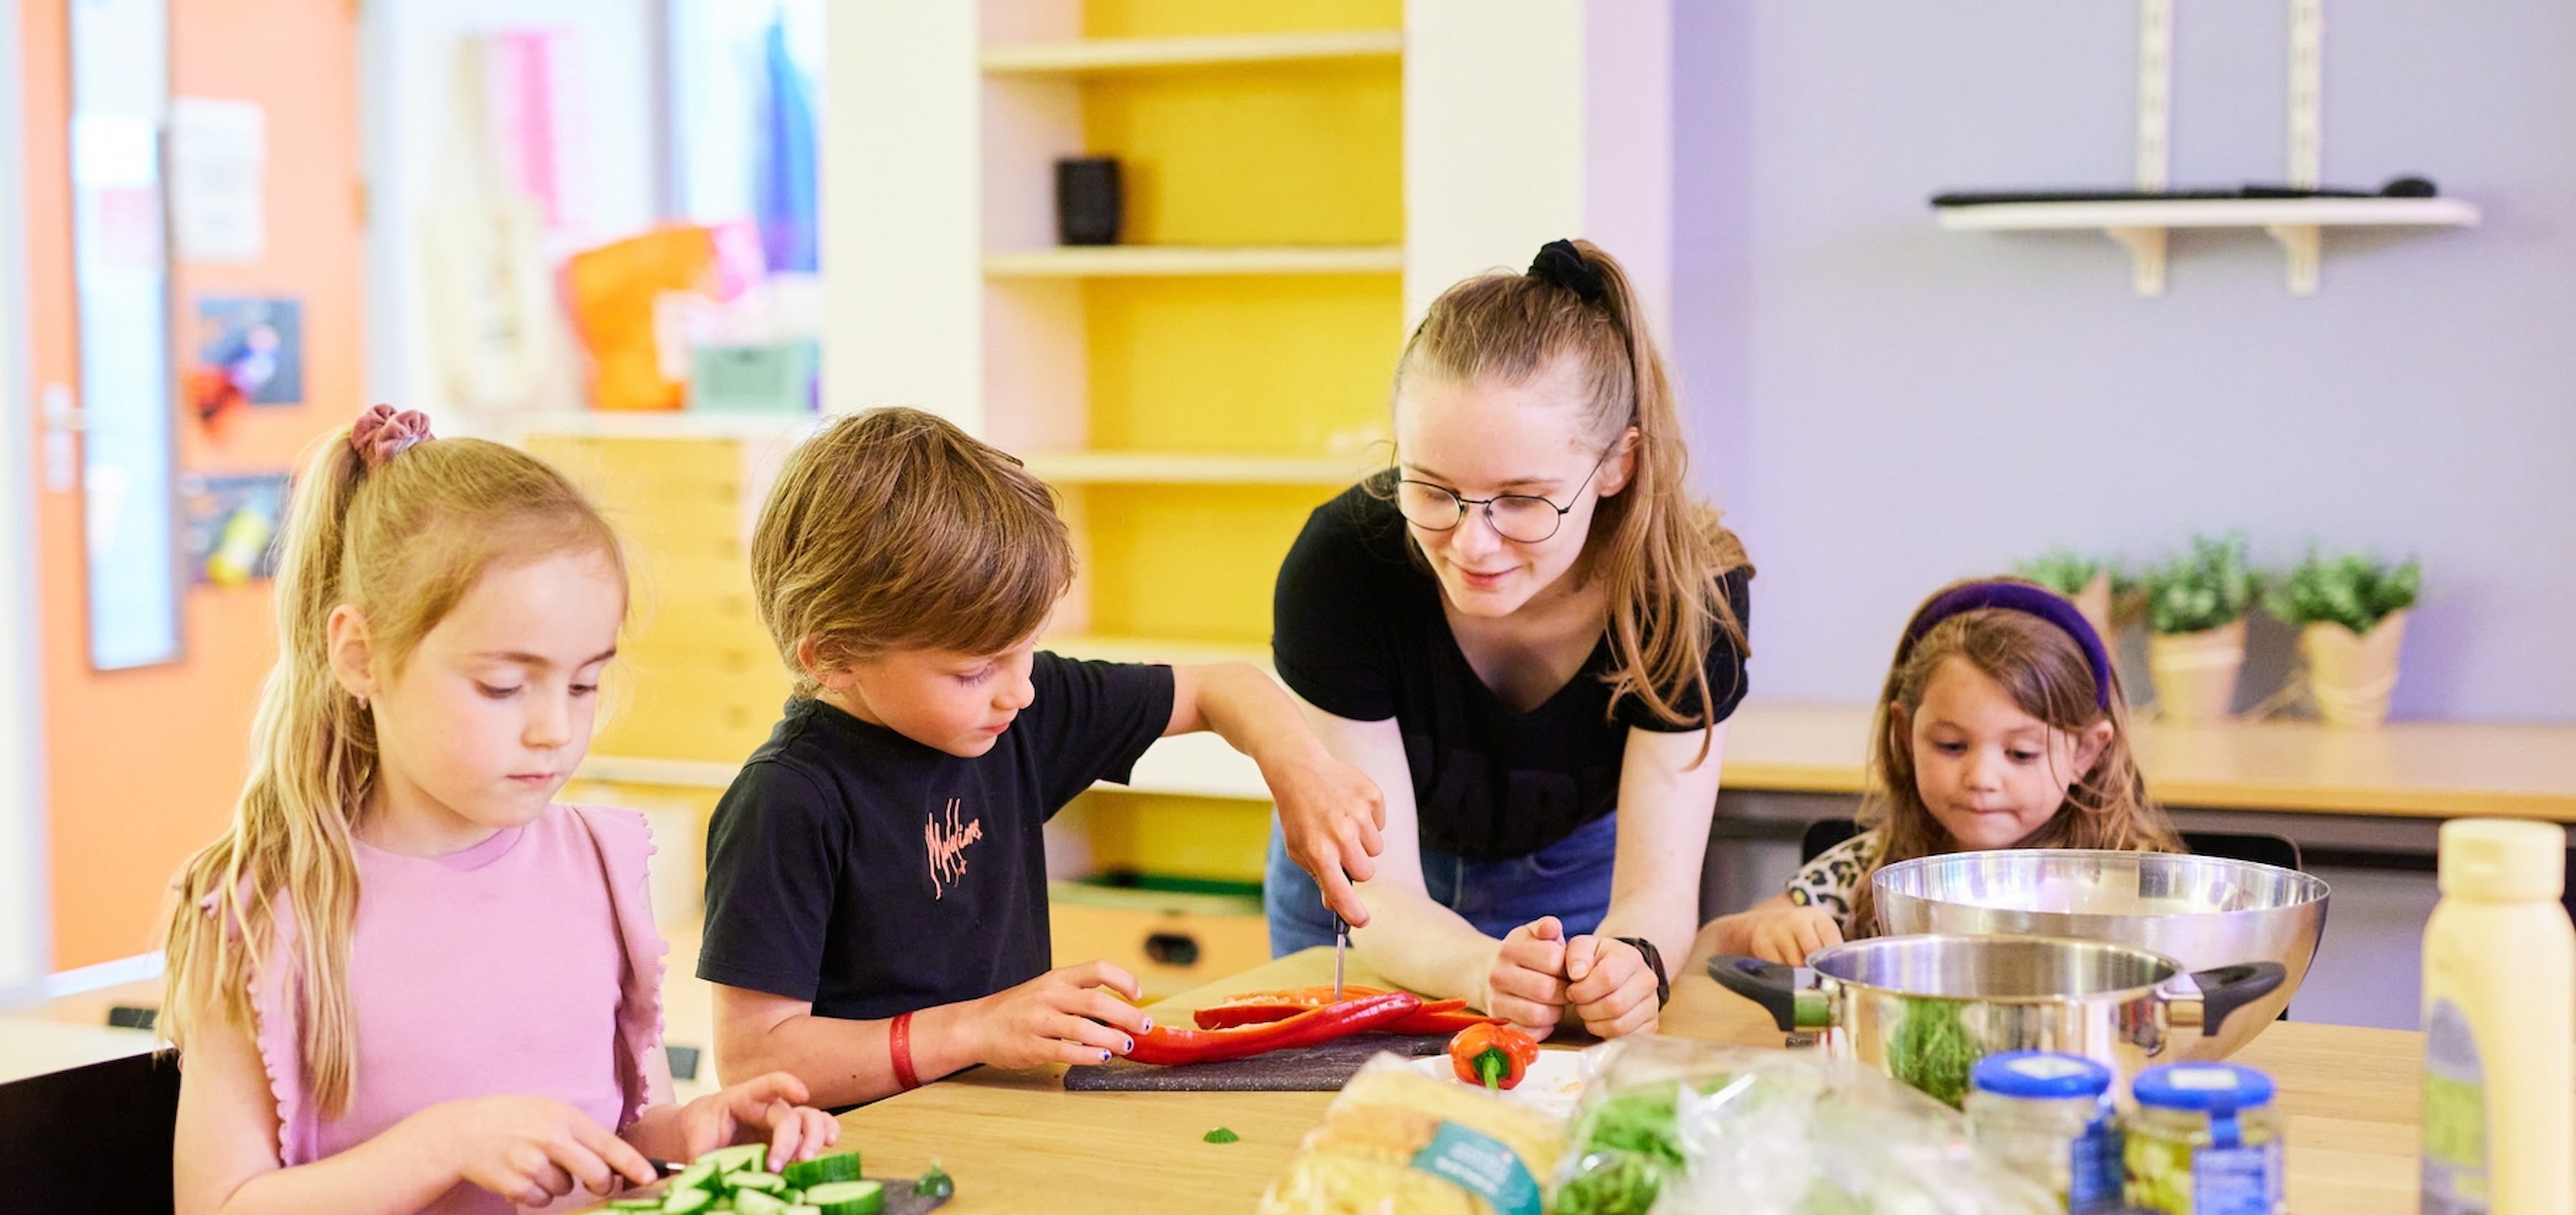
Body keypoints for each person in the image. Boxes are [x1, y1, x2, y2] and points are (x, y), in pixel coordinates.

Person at [163, 407, 839, 1215]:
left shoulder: (599, 866)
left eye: (584, 683)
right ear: (361, 655)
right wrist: (442, 1144)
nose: (555, 727)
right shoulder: (258, 909)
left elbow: (621, 1135)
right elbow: (221, 1203)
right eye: (503, 686)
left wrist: (697, 1130)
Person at [698, 408, 1383, 1109]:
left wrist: (1303, 769)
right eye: (973, 671)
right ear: (833, 655)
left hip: (1007, 1118)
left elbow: (1221, 687)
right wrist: (974, 1028)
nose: (1019, 687)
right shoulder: (786, 802)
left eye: (1027, 647)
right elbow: (757, 1059)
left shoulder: (1019, 708)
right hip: (872, 1156)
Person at [1267, 239, 1753, 1041]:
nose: (1473, 543)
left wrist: (1631, 963)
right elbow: (1379, 891)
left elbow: (1655, 895)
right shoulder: (1341, 566)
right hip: (1359, 906)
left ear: (1616, 465)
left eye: (1522, 500)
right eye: (1430, 489)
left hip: (1572, 900)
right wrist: (1471, 968)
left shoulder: (1687, 597)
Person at [1700, 577, 2182, 964]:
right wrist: (1757, 933)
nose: (1982, 778)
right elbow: (1702, 954)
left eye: (2021, 754)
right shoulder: (1864, 874)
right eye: (1952, 745)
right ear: (1907, 735)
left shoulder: (2134, 885)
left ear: (2085, 753)